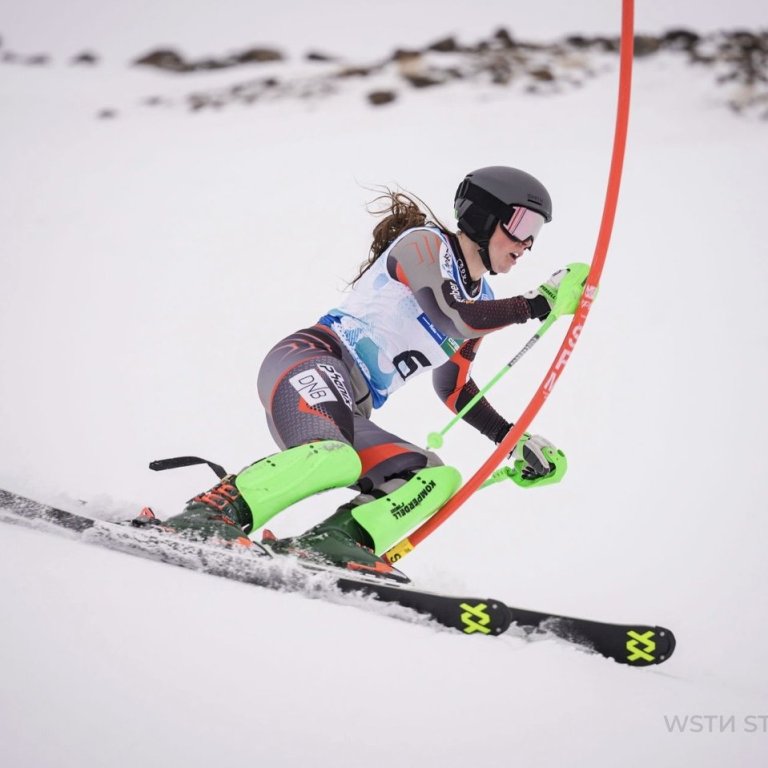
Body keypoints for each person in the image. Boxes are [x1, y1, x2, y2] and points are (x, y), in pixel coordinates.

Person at [156, 166, 578, 581]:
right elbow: (451, 317)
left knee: (433, 477)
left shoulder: (482, 299)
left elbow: (454, 388)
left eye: (536, 232)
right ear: (483, 215)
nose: (526, 243)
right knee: (334, 456)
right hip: (311, 360)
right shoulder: (424, 245)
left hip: (350, 407)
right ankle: (211, 513)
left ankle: (334, 542)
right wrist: (537, 303)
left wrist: (511, 441)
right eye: (521, 224)